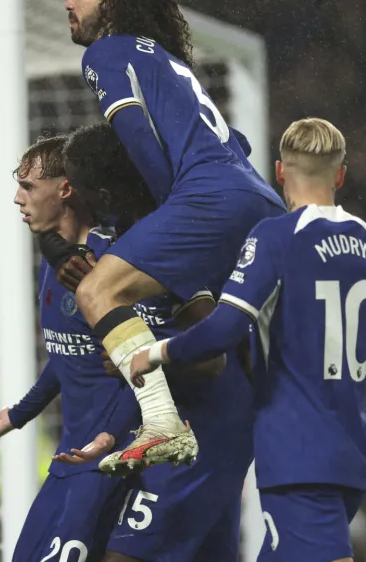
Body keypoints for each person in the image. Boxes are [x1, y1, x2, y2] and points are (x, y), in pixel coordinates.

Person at [130, 118, 366, 561]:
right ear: (340, 175)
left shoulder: (276, 238)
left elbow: (224, 330)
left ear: (280, 171)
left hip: (297, 455)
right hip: (350, 454)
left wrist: (155, 351)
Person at [0, 131, 226, 561]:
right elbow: (69, 355)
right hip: (67, 464)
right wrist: (20, 413)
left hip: (105, 464)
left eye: (27, 186)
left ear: (65, 189)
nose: (16, 199)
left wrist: (109, 434)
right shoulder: (61, 265)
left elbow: (136, 367)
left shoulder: (115, 270)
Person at [56, 0, 287, 473]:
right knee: (265, 359)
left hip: (208, 199)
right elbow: (237, 142)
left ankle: (161, 423)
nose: (67, 3)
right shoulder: (167, 59)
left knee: (97, 289)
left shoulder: (105, 53)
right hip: (260, 200)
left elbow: (142, 144)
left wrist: (164, 227)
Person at [57, 122, 255, 562]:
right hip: (205, 424)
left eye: (78, 187)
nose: (72, 196)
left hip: (203, 427)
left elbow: (211, 358)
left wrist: (137, 355)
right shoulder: (129, 235)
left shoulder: (168, 234)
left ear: (104, 196)